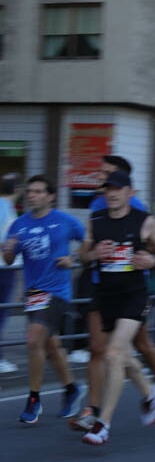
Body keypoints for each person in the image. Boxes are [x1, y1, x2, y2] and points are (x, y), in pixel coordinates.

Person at [72, 155, 155, 432]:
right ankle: (152, 393)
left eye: (117, 188)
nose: (112, 193)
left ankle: (102, 424)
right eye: (108, 188)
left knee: (114, 353)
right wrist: (92, 254)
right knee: (117, 353)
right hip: (104, 293)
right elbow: (83, 255)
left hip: (134, 293)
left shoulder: (142, 218)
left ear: (129, 192)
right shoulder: (96, 217)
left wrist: (153, 260)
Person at [2, 176, 86, 424]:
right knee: (50, 345)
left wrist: (75, 260)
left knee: (33, 339)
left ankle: (33, 399)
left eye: (39, 191)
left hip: (58, 291)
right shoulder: (19, 224)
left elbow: (87, 241)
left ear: (50, 196)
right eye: (29, 191)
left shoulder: (65, 221)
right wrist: (7, 250)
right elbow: (8, 260)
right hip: (34, 293)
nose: (32, 195)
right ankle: (72, 389)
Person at [0, 172, 23, 373]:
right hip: (3, 269)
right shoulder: (5, 209)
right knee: (1, 313)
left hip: (6, 268)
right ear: (18, 189)